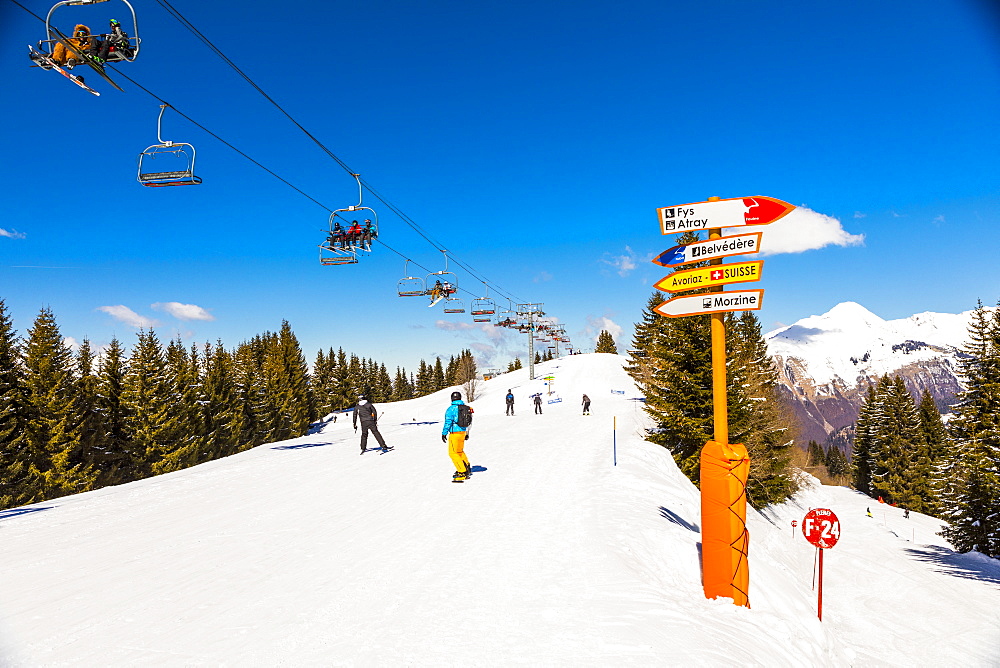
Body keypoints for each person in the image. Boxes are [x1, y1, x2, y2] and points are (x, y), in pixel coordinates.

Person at [442, 390, 471, 481]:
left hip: (454, 433)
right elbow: (469, 421)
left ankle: (461, 471)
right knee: (459, 451)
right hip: (463, 432)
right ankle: (466, 467)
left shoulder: (451, 409)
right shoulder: (466, 407)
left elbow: (448, 422)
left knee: (452, 453)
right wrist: (467, 433)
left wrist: (444, 433)